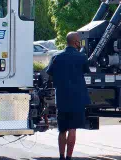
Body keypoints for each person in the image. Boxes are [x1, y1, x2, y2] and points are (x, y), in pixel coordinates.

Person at [45, 32, 91, 160]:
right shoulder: (81, 57)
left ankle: (61, 157)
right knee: (72, 129)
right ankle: (69, 157)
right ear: (76, 42)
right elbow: (87, 70)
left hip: (62, 98)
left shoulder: (56, 57)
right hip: (77, 99)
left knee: (62, 130)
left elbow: (50, 73)